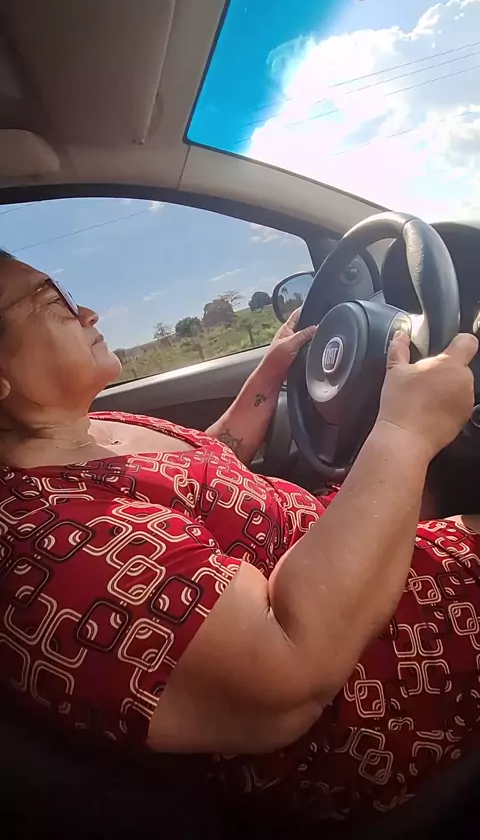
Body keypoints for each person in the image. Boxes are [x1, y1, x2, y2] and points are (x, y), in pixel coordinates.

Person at [1, 249, 480, 825]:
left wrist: (271, 371)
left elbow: (209, 463)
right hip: (373, 679)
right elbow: (291, 672)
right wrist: (404, 432)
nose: (89, 313)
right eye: (52, 302)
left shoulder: (91, 428)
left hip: (333, 555)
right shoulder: (51, 545)